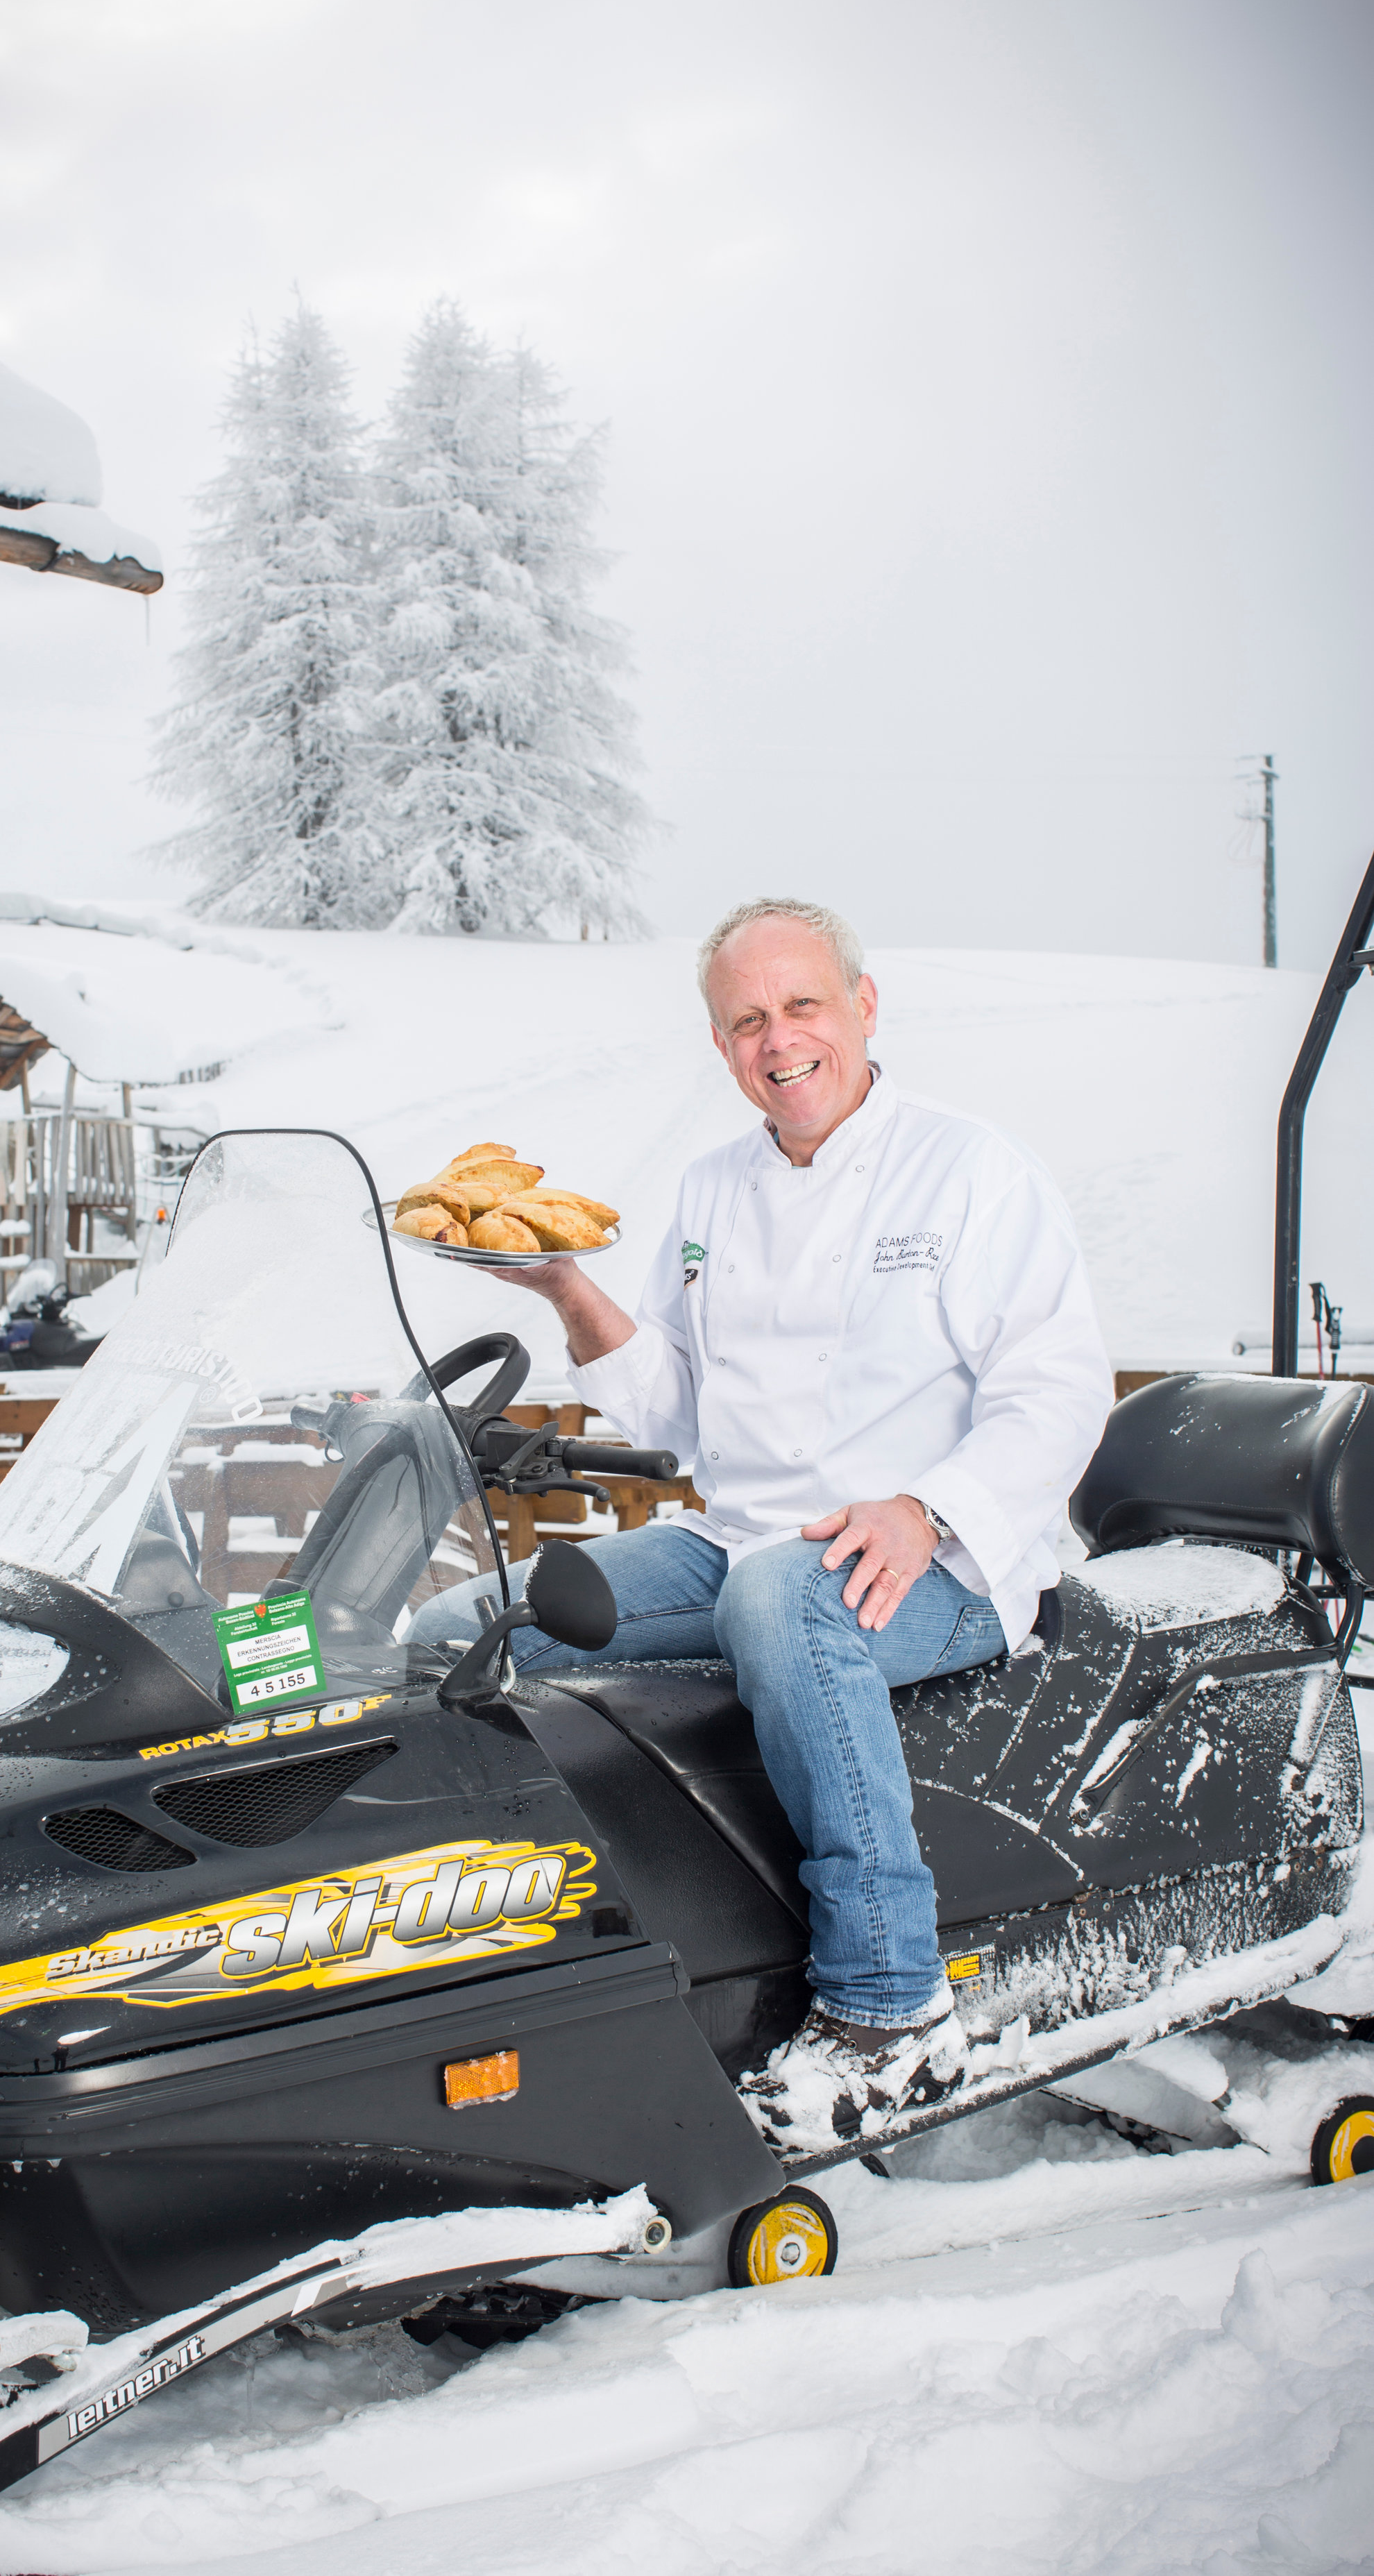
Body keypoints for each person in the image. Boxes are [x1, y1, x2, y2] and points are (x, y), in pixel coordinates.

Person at [412, 897, 1114, 2136]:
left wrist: (923, 1506)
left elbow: (1058, 1394)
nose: (778, 1040)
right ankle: (504, 1972)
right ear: (721, 1042)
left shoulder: (971, 1170)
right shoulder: (709, 1190)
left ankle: (894, 2011)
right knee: (470, 1624)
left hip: (937, 1560)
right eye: (746, 1020)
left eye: (802, 1005)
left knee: (780, 1600)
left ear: (864, 1006)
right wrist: (565, 1283)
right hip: (740, 1542)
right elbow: (676, 1411)